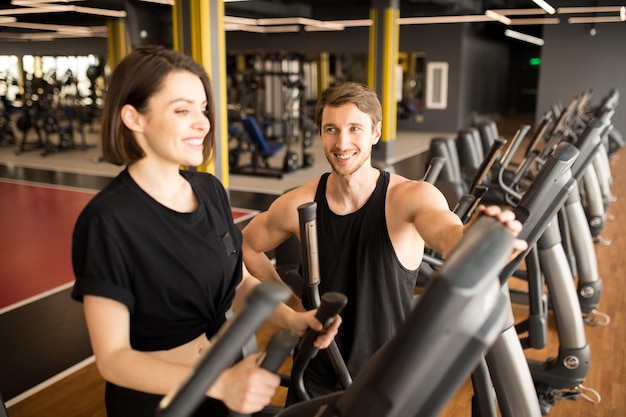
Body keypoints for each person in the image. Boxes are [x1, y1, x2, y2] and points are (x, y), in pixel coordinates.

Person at [70, 45, 339, 417]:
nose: (204, 123)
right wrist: (221, 383)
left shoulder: (209, 189)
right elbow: (113, 360)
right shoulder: (108, 221)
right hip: (161, 403)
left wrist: (293, 320)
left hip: (219, 386)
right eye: (183, 110)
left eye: (203, 109)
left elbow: (240, 283)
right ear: (134, 117)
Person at [241, 81, 528, 399]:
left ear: (375, 132)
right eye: (331, 129)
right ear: (320, 134)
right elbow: (248, 247)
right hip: (314, 377)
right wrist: (292, 306)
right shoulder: (297, 203)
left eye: (355, 128)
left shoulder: (411, 197)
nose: (342, 142)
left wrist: (473, 239)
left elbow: (449, 234)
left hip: (388, 379)